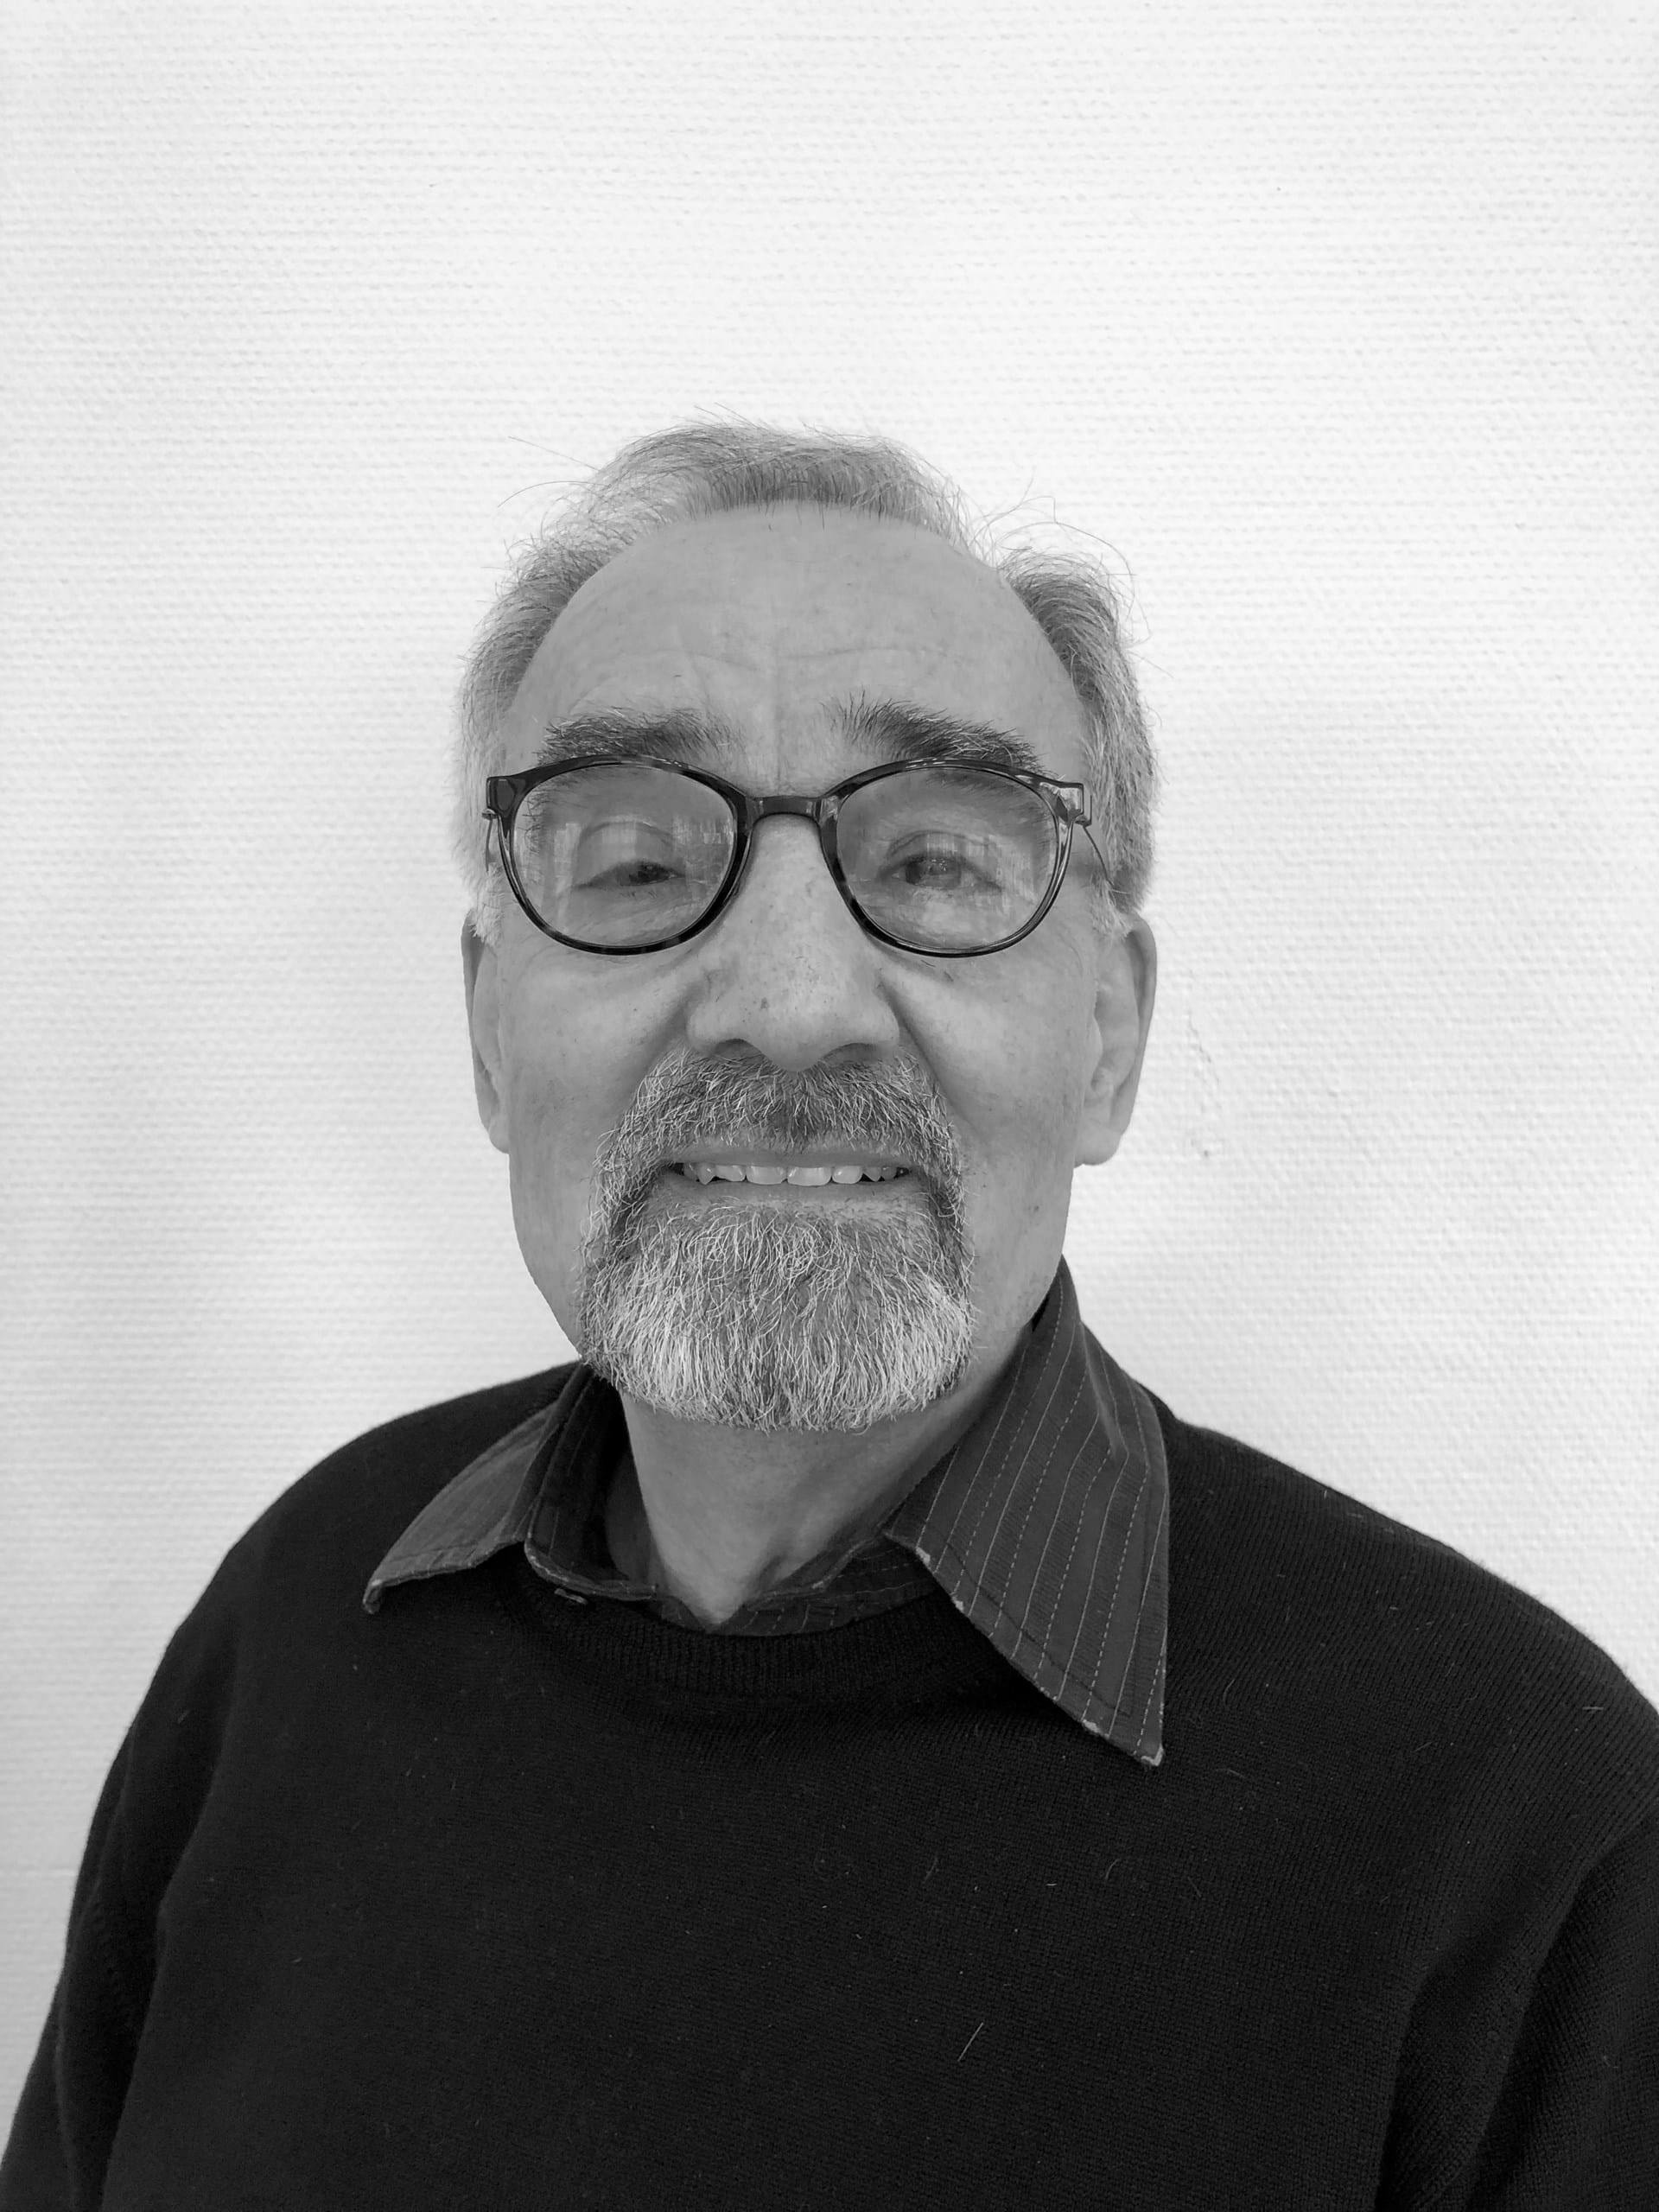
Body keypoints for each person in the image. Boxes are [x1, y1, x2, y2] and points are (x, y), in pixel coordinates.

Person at [4, 423, 1656, 2210]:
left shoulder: (1526, 1840)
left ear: (1109, 1033)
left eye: (937, 863)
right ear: (489, 1031)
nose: (791, 1005)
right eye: (637, 865)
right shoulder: (294, 1621)